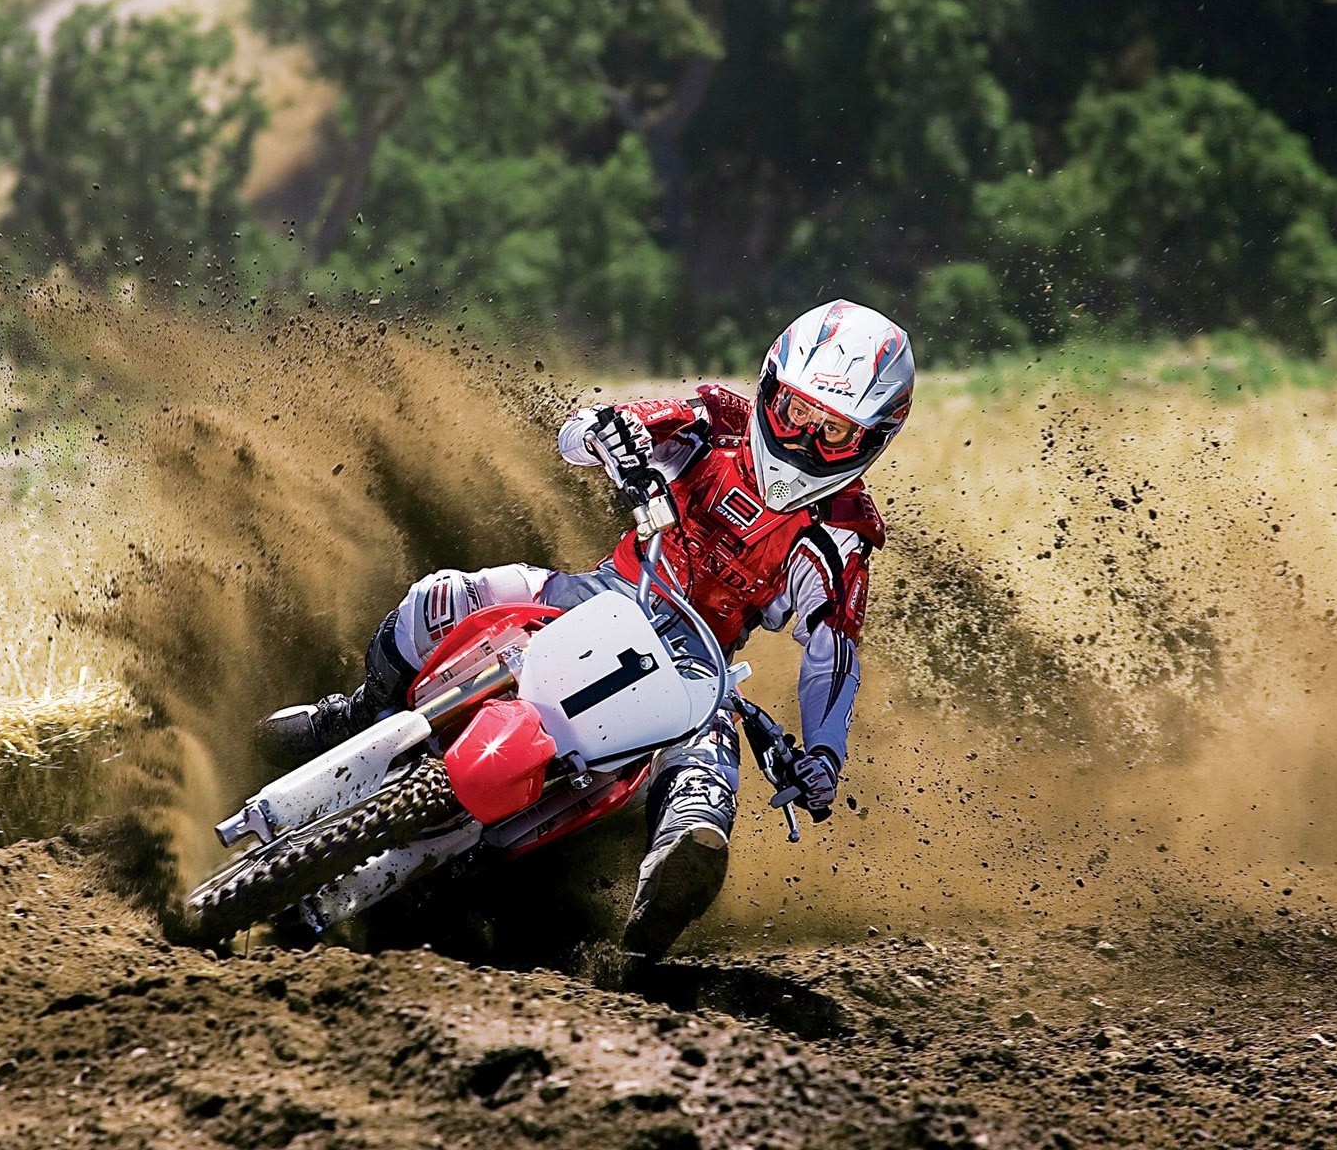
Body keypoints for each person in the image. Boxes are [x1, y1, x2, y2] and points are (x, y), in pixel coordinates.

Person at [259, 299, 915, 959]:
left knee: (708, 764)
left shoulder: (843, 533)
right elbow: (582, 433)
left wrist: (823, 755)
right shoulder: (713, 422)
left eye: (833, 432)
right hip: (601, 594)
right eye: (796, 412)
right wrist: (610, 434)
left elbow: (833, 654)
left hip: (698, 668)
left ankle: (665, 891)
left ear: (872, 440)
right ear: (771, 388)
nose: (804, 440)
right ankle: (358, 714)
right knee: (443, 596)